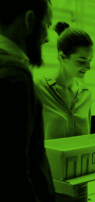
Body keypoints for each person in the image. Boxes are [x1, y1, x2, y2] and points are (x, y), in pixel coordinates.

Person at [0, 0, 55, 202]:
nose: (48, 38)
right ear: (30, 20)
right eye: (47, 26)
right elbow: (16, 174)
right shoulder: (15, 76)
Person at [33, 21, 93, 202]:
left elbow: (87, 142)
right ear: (62, 57)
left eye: (90, 61)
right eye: (82, 60)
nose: (88, 67)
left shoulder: (86, 94)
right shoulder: (37, 89)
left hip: (80, 184)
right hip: (47, 186)